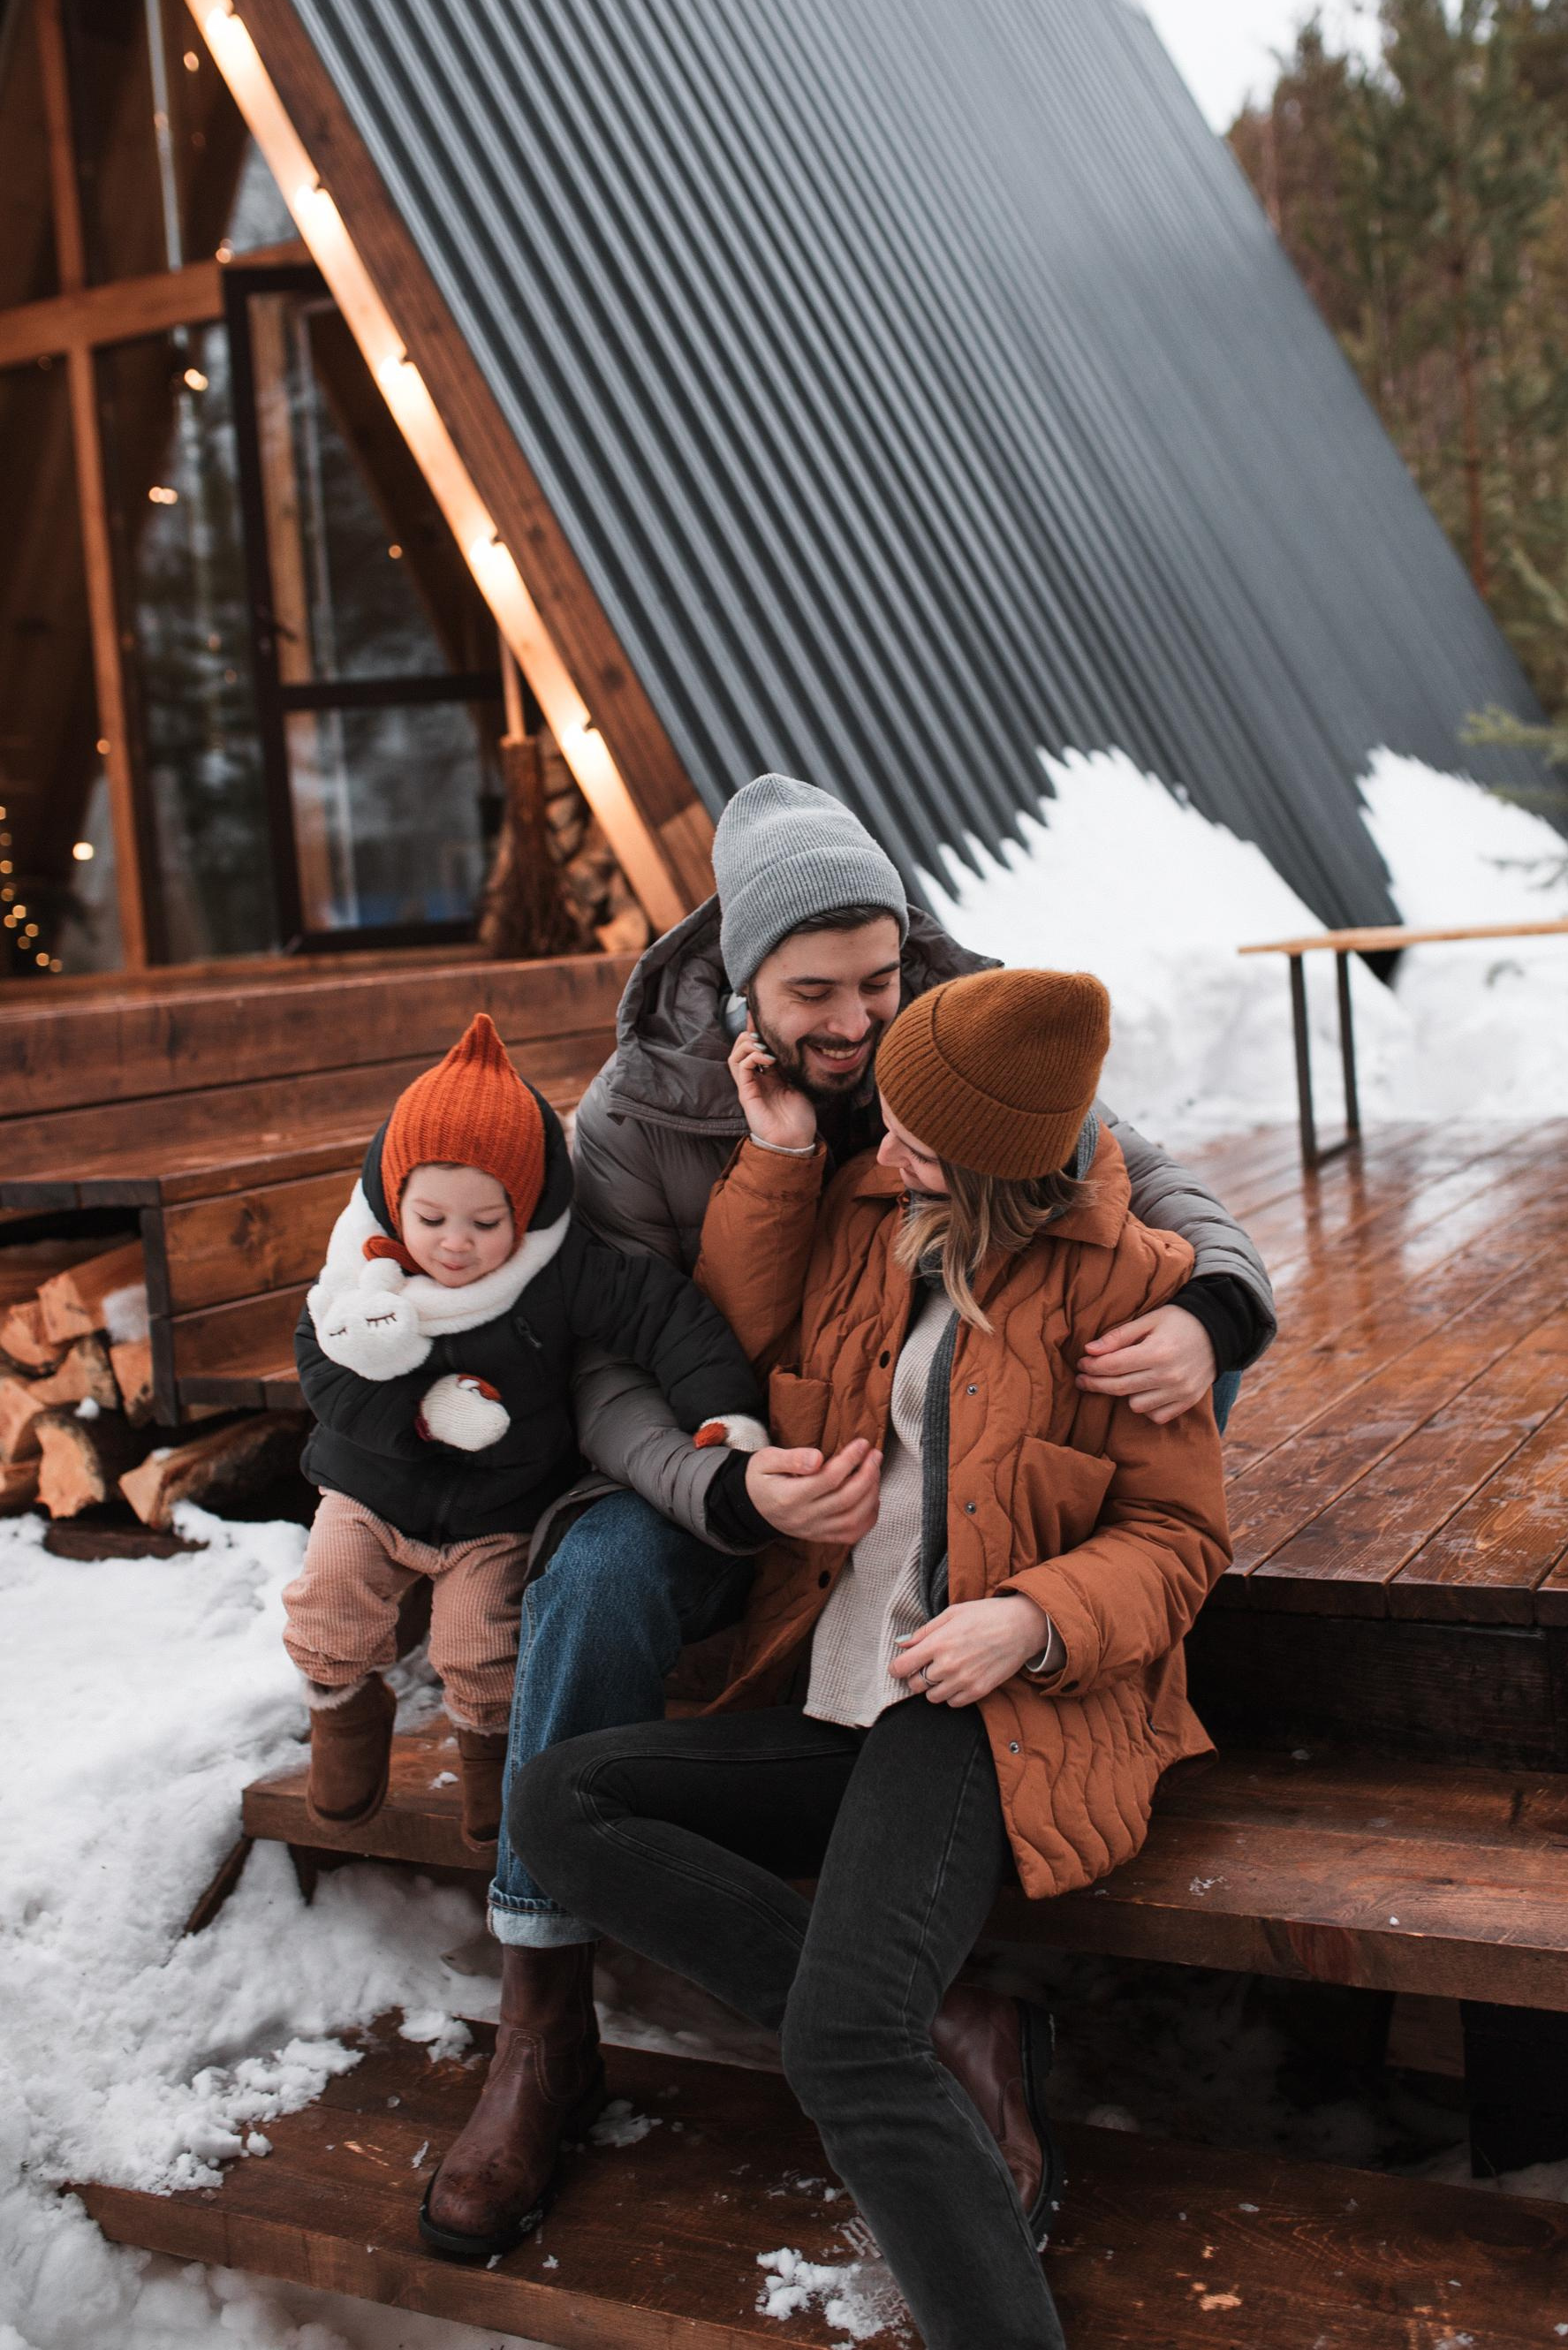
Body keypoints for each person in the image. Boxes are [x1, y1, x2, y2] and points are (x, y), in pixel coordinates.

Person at [421, 774, 1273, 2256]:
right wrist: (718, 1479)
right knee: (600, 1581)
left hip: (902, 1468)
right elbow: (607, 1364)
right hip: (720, 1454)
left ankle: (912, 2005)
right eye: (816, 991)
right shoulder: (638, 1112)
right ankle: (544, 2018)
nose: (856, 1020)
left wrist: (1210, 1310)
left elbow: (1157, 1186)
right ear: (740, 975)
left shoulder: (945, 1034)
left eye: (880, 979)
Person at [283, 1012, 769, 1852]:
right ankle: (344, 1713)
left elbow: (669, 1319)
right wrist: (424, 1414)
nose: (456, 1247)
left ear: (530, 1207)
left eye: (485, 1222)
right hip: (369, 1485)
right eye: (431, 1220)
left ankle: (490, 1765)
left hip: (499, 1507)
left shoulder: (563, 1263)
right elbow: (324, 1375)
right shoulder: (359, 1272)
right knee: (330, 1600)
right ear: (398, 1201)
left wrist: (723, 1414)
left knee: (480, 1647)